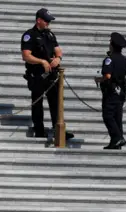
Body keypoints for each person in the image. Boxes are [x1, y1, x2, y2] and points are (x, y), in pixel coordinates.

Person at [21, 8, 74, 140]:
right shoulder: (29, 35)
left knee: (55, 103)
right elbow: (26, 56)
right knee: (37, 103)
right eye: (46, 21)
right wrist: (42, 61)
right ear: (38, 20)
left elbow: (58, 50)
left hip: (51, 74)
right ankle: (39, 130)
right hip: (37, 75)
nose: (48, 24)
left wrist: (58, 59)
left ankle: (59, 130)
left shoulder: (49, 35)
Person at [95, 32, 126, 150]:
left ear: (112, 45)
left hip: (111, 91)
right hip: (121, 91)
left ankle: (118, 137)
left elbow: (108, 76)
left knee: (108, 115)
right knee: (117, 117)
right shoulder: (124, 60)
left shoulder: (109, 59)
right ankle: (115, 142)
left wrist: (99, 79)